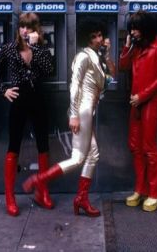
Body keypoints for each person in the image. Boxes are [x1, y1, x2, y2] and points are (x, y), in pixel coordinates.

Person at [22, 18, 112, 217]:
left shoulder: (97, 56)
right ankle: (40, 179)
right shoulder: (82, 56)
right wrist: (73, 115)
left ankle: (81, 198)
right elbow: (74, 86)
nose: (98, 39)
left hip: (88, 110)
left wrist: (108, 52)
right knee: (78, 157)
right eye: (93, 37)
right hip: (82, 110)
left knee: (93, 155)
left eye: (100, 35)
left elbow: (111, 76)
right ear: (86, 39)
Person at [0, 12, 54, 216]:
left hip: (38, 98)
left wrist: (36, 47)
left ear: (37, 31)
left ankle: (42, 192)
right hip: (18, 100)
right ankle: (10, 197)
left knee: (43, 145)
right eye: (23, 27)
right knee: (13, 146)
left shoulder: (41, 49)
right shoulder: (9, 48)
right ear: (18, 29)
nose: (25, 31)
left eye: (30, 27)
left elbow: (49, 70)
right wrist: (3, 90)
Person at [119, 10, 157, 212]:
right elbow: (122, 66)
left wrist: (142, 96)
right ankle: (140, 189)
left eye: (136, 28)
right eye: (131, 28)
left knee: (149, 147)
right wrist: (127, 44)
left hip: (150, 102)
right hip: (136, 103)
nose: (134, 32)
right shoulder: (137, 49)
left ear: (147, 29)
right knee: (135, 147)